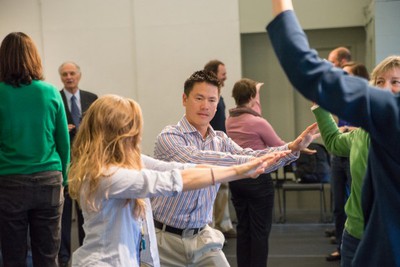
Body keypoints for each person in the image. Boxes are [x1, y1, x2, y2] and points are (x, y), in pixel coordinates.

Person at [67, 94, 289, 267]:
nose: (137, 135)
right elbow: (171, 181)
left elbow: (179, 168)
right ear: (118, 133)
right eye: (132, 129)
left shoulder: (126, 162)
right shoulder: (107, 176)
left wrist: (248, 163)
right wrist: (240, 170)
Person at [267, 1, 400, 266]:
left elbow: (307, 70)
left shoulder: (390, 117)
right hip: (355, 235)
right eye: (380, 83)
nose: (385, 89)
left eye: (395, 82)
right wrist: (321, 108)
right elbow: (336, 142)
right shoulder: (365, 133)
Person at [152, 70, 319, 266]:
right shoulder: (169, 137)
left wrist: (291, 148)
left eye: (212, 100)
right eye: (199, 98)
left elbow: (251, 156)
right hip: (164, 240)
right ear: (184, 99)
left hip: (202, 237)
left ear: (218, 104)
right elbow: (197, 161)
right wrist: (244, 165)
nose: (205, 106)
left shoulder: (220, 139)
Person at [0, 32, 70, 267]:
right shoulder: (50, 92)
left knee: (13, 257)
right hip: (48, 181)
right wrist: (65, 180)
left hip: (9, 182)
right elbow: (63, 142)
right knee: (48, 256)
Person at [225, 78, 285, 267]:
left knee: (244, 229)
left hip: (237, 179)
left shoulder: (230, 120)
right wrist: (301, 145)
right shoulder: (258, 122)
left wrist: (255, 91)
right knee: (260, 232)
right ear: (252, 97)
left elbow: (252, 110)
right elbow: (280, 146)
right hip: (258, 181)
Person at [58, 61, 98, 267]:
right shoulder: (55, 99)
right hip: (65, 165)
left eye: (72, 73)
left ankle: (87, 253)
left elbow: (100, 130)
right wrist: (62, 129)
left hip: (88, 164)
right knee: (63, 216)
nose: (69, 77)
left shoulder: (92, 99)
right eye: (64, 74)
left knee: (86, 213)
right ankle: (63, 258)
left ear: (79, 75)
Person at [325, 47, 353, 261]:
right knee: (337, 203)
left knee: (353, 201)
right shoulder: (341, 96)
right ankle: (340, 242)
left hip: (352, 153)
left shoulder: (363, 99)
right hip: (338, 155)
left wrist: (348, 130)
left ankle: (350, 244)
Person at [203, 59, 236, 238]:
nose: (225, 76)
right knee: (212, 189)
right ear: (213, 74)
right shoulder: (208, 96)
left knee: (223, 188)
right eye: (222, 73)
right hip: (211, 149)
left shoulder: (219, 96)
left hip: (221, 147)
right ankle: (213, 228)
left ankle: (224, 225)